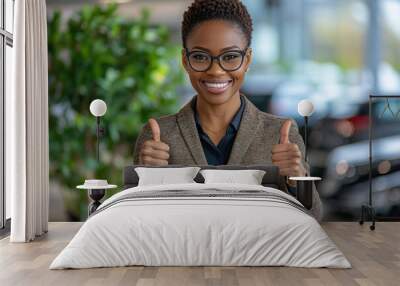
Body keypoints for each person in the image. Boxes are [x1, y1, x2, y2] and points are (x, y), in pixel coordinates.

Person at [133, 0, 322, 220]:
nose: (215, 70)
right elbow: (138, 221)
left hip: (256, 254)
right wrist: (146, 179)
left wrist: (296, 179)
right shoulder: (158, 137)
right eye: (201, 57)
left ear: (247, 59)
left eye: (230, 57)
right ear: (185, 60)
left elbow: (314, 217)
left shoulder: (281, 134)